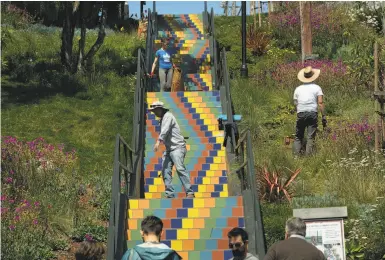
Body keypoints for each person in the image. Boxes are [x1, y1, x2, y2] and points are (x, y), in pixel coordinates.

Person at [149, 101, 195, 198]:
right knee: (165, 170)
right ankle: (169, 193)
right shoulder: (162, 119)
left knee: (180, 168)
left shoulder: (168, 116)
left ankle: (189, 192)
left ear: (160, 109)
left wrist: (158, 141)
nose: (154, 113)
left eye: (155, 110)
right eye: (153, 111)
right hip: (169, 149)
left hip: (178, 147)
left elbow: (165, 130)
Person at [293, 66, 327, 156]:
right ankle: (308, 157)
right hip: (312, 113)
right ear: (313, 76)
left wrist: (300, 112)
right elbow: (320, 102)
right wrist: (323, 116)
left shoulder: (298, 89)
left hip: (300, 113)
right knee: (310, 137)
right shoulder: (317, 88)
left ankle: (296, 157)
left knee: (298, 136)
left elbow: (296, 104)